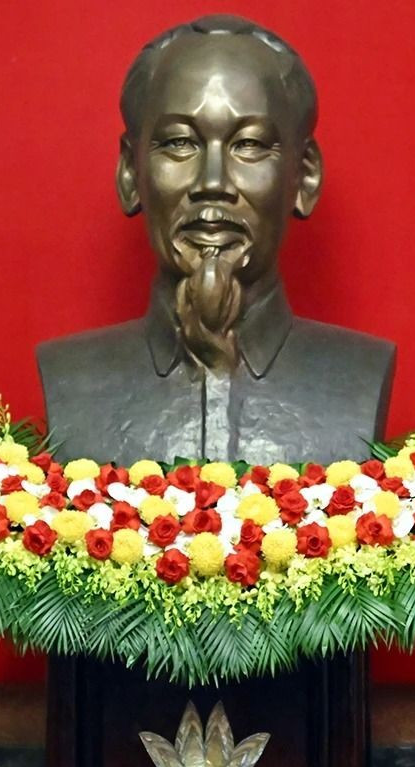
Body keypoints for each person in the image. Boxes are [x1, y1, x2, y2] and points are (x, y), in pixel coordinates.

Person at [37, 14, 394, 464]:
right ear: (131, 173)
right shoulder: (70, 376)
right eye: (179, 143)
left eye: (249, 145)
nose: (212, 182)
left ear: (304, 177)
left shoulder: (360, 374)